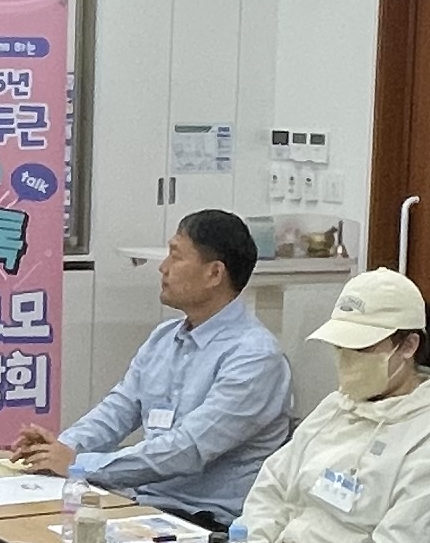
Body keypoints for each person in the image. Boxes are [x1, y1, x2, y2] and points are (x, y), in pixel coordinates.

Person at [234, 266, 430, 543]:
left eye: (361, 347)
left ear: (408, 345)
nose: (346, 358)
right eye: (341, 345)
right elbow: (273, 489)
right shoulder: (339, 406)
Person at [15, 207, 292, 520]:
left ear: (214, 273)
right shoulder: (165, 336)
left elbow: (188, 450)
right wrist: (58, 449)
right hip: (144, 501)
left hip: (204, 519)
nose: (163, 268)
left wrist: (77, 464)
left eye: (175, 256)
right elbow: (118, 410)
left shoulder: (255, 357)